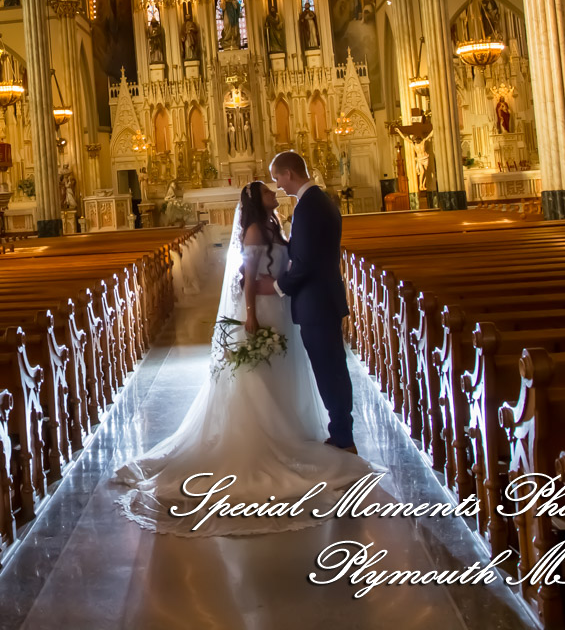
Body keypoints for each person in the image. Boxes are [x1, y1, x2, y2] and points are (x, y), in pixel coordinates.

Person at [113, 177, 376, 535]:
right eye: (268, 191)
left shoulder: (273, 225)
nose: (274, 192)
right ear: (256, 200)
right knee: (259, 373)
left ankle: (286, 429)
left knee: (281, 369)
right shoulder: (254, 231)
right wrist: (250, 315)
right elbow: (249, 279)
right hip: (264, 310)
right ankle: (263, 434)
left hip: (280, 310)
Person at [271, 150, 355, 452]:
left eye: (278, 178)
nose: (278, 185)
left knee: (328, 370)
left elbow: (304, 262)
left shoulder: (308, 207)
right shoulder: (320, 201)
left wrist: (278, 285)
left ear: (289, 173)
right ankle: (342, 432)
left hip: (316, 302)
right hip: (324, 298)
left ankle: (343, 437)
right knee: (333, 368)